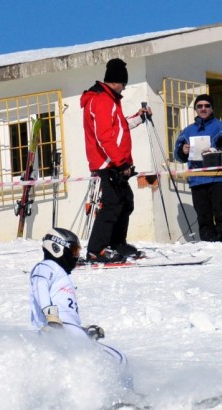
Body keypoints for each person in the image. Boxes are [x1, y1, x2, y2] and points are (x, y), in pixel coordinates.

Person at [29, 228, 129, 379]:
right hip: (58, 328)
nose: (76, 256)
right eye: (74, 250)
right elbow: (39, 287)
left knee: (83, 369)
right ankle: (123, 396)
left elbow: (65, 311)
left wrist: (83, 331)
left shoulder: (60, 275)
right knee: (117, 358)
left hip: (65, 329)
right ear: (57, 247)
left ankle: (95, 398)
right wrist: (51, 317)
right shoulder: (46, 266)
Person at [80, 58, 151, 263]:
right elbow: (104, 136)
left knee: (125, 202)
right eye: (124, 84)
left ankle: (117, 243)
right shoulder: (101, 100)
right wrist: (121, 162)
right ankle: (96, 250)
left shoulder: (110, 101)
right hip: (107, 164)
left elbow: (119, 128)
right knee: (111, 205)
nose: (124, 89)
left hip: (115, 163)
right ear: (117, 81)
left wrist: (139, 117)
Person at [173, 94, 222, 242]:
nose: (203, 109)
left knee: (221, 213)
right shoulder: (188, 131)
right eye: (200, 106)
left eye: (207, 106)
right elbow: (177, 155)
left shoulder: (221, 127)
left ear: (212, 108)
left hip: (218, 177)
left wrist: (218, 149)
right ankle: (208, 243)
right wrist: (183, 151)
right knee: (203, 215)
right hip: (197, 179)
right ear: (195, 109)